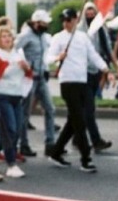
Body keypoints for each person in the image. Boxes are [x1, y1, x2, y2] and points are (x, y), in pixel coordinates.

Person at [46, 9, 111, 172]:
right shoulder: (58, 38)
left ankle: (56, 152)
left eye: (69, 20)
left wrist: (105, 69)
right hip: (67, 83)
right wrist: (57, 58)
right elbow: (47, 58)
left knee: (73, 122)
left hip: (83, 81)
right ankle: (85, 158)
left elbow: (93, 55)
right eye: (64, 20)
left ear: (76, 20)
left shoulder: (83, 37)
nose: (66, 23)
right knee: (80, 121)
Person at [0, 25, 30, 178]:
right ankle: (11, 164)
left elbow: (27, 73)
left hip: (16, 96)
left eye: (9, 36)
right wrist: (12, 68)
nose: (7, 39)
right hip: (2, 95)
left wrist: (25, 67)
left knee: (17, 128)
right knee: (10, 128)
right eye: (3, 36)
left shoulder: (17, 54)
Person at [78, 2, 118, 152]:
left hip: (96, 72)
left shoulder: (101, 30)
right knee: (88, 109)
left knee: (81, 110)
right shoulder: (79, 32)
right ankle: (96, 141)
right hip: (83, 74)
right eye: (87, 13)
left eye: (92, 13)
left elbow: (107, 49)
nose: (90, 16)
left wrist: (115, 67)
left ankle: (77, 138)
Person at [15, 9, 56, 156]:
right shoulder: (26, 35)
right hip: (29, 78)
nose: (47, 25)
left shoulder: (44, 36)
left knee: (50, 109)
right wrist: (23, 64)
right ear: (37, 23)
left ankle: (50, 143)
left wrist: (46, 67)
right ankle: (23, 144)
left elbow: (46, 54)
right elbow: (13, 49)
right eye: (44, 23)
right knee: (25, 113)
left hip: (41, 77)